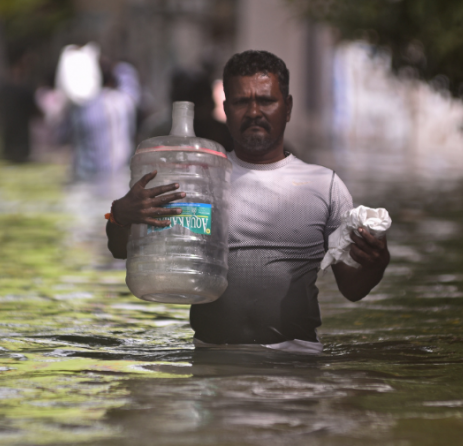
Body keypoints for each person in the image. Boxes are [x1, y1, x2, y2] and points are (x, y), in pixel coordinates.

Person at [105, 50, 390, 355]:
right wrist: (121, 214)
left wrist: (376, 264)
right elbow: (121, 249)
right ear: (225, 109)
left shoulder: (324, 185)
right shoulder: (200, 177)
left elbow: (352, 288)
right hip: (214, 362)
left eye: (266, 100)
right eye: (242, 102)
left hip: (296, 364)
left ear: (288, 107)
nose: (254, 111)